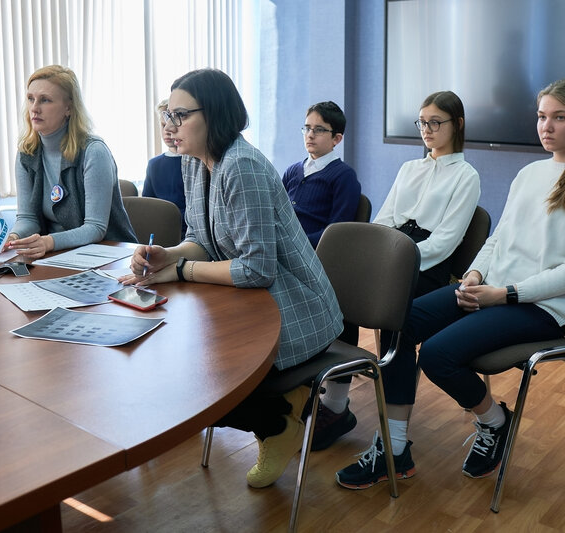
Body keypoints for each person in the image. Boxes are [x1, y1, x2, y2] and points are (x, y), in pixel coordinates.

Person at [335, 79, 565, 490]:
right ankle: (394, 448)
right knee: (399, 320)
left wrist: (504, 294)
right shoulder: (530, 173)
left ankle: (495, 421)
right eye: (543, 116)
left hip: (542, 307)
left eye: (560, 117)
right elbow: (497, 240)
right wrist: (474, 275)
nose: (547, 126)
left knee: (437, 355)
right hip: (494, 290)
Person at [120, 68, 343, 488]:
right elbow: (200, 238)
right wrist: (166, 254)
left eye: (180, 115)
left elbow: (257, 270)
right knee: (176, 372)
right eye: (168, 114)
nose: (170, 125)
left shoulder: (243, 167)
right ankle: (281, 409)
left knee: (195, 389)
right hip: (250, 304)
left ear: (215, 115)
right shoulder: (195, 162)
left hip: (295, 310)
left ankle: (278, 424)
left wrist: (180, 270)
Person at [310, 91, 480, 452]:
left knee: (394, 318)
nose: (427, 130)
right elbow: (384, 220)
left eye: (436, 122)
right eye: (422, 122)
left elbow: (445, 243)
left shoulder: (466, 176)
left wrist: (396, 263)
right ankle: (336, 405)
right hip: (391, 252)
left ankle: (396, 443)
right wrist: (374, 259)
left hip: (427, 266)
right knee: (335, 291)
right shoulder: (409, 168)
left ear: (458, 125)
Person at [6, 65, 136, 259]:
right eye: (30, 99)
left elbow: (95, 228)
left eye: (45, 100)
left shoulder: (94, 151)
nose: (34, 108)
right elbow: (28, 218)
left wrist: (49, 241)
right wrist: (13, 238)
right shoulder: (27, 153)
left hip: (108, 258)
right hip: (57, 257)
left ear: (69, 108)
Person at [282, 101, 361, 248]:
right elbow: (276, 214)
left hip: (311, 254)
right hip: (281, 248)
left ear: (336, 139)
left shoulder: (344, 176)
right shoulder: (292, 171)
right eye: (307, 128)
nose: (310, 135)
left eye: (319, 130)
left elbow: (337, 233)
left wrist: (295, 245)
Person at [142, 99, 187, 237]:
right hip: (160, 234)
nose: (167, 130)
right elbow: (147, 206)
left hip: (189, 235)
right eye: (162, 125)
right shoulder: (154, 165)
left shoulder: (196, 163)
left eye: (172, 124)